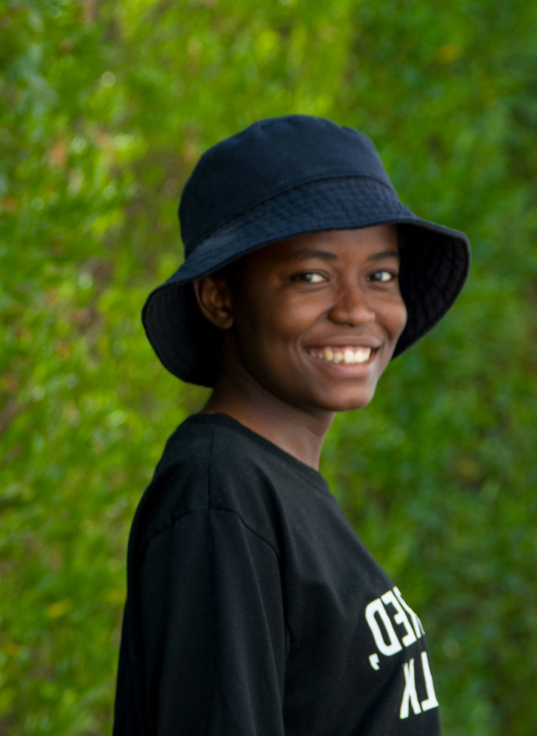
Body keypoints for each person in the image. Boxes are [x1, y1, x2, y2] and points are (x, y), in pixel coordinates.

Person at [113, 114, 471, 735]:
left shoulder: (271, 484)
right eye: (311, 276)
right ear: (220, 297)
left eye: (380, 276)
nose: (357, 310)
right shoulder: (220, 496)